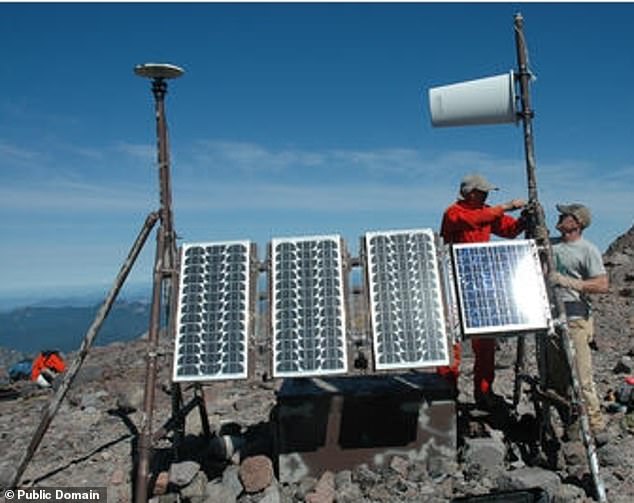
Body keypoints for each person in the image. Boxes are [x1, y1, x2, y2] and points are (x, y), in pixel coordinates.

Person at [438, 173, 526, 408]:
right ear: (470, 192)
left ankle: (484, 391)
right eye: (482, 191)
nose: (486, 195)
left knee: (486, 340)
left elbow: (508, 230)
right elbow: (475, 220)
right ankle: (446, 389)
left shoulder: (487, 212)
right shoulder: (454, 213)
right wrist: (506, 206)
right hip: (454, 280)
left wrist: (523, 221)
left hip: (480, 280)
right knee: (451, 340)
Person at [547, 203, 609, 445]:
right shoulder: (550, 245)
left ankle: (595, 425)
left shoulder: (587, 250)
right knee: (556, 379)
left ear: (577, 222)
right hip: (551, 320)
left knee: (582, 378)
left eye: (565, 216)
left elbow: (602, 285)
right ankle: (569, 425)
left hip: (575, 320)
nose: (560, 218)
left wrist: (568, 282)